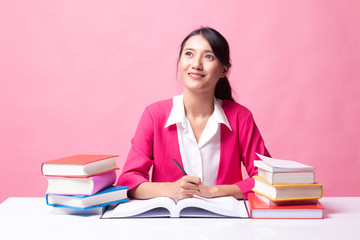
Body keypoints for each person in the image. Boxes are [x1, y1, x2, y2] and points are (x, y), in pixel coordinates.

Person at [116, 27, 270, 200]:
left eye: (208, 56)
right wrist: (170, 189)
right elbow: (129, 181)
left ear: (224, 70)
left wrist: (214, 191)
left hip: (227, 223)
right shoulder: (154, 115)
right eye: (189, 54)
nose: (196, 64)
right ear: (179, 61)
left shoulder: (240, 117)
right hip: (170, 223)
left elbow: (267, 179)